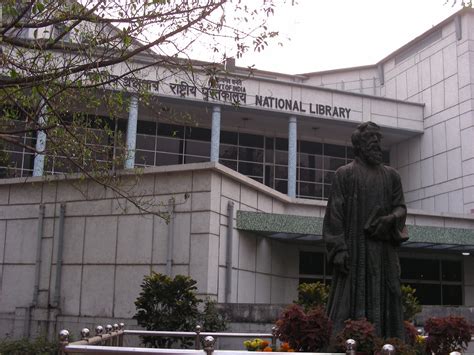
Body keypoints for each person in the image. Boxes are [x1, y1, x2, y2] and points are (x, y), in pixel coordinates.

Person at [323, 121, 408, 340]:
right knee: (350, 300)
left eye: (379, 140)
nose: (377, 145)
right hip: (355, 250)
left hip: (383, 251)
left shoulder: (391, 176)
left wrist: (391, 219)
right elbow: (335, 215)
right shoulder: (345, 174)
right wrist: (339, 249)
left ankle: (391, 343)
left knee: (390, 294)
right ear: (359, 145)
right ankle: (346, 344)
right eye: (372, 140)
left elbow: (401, 207)